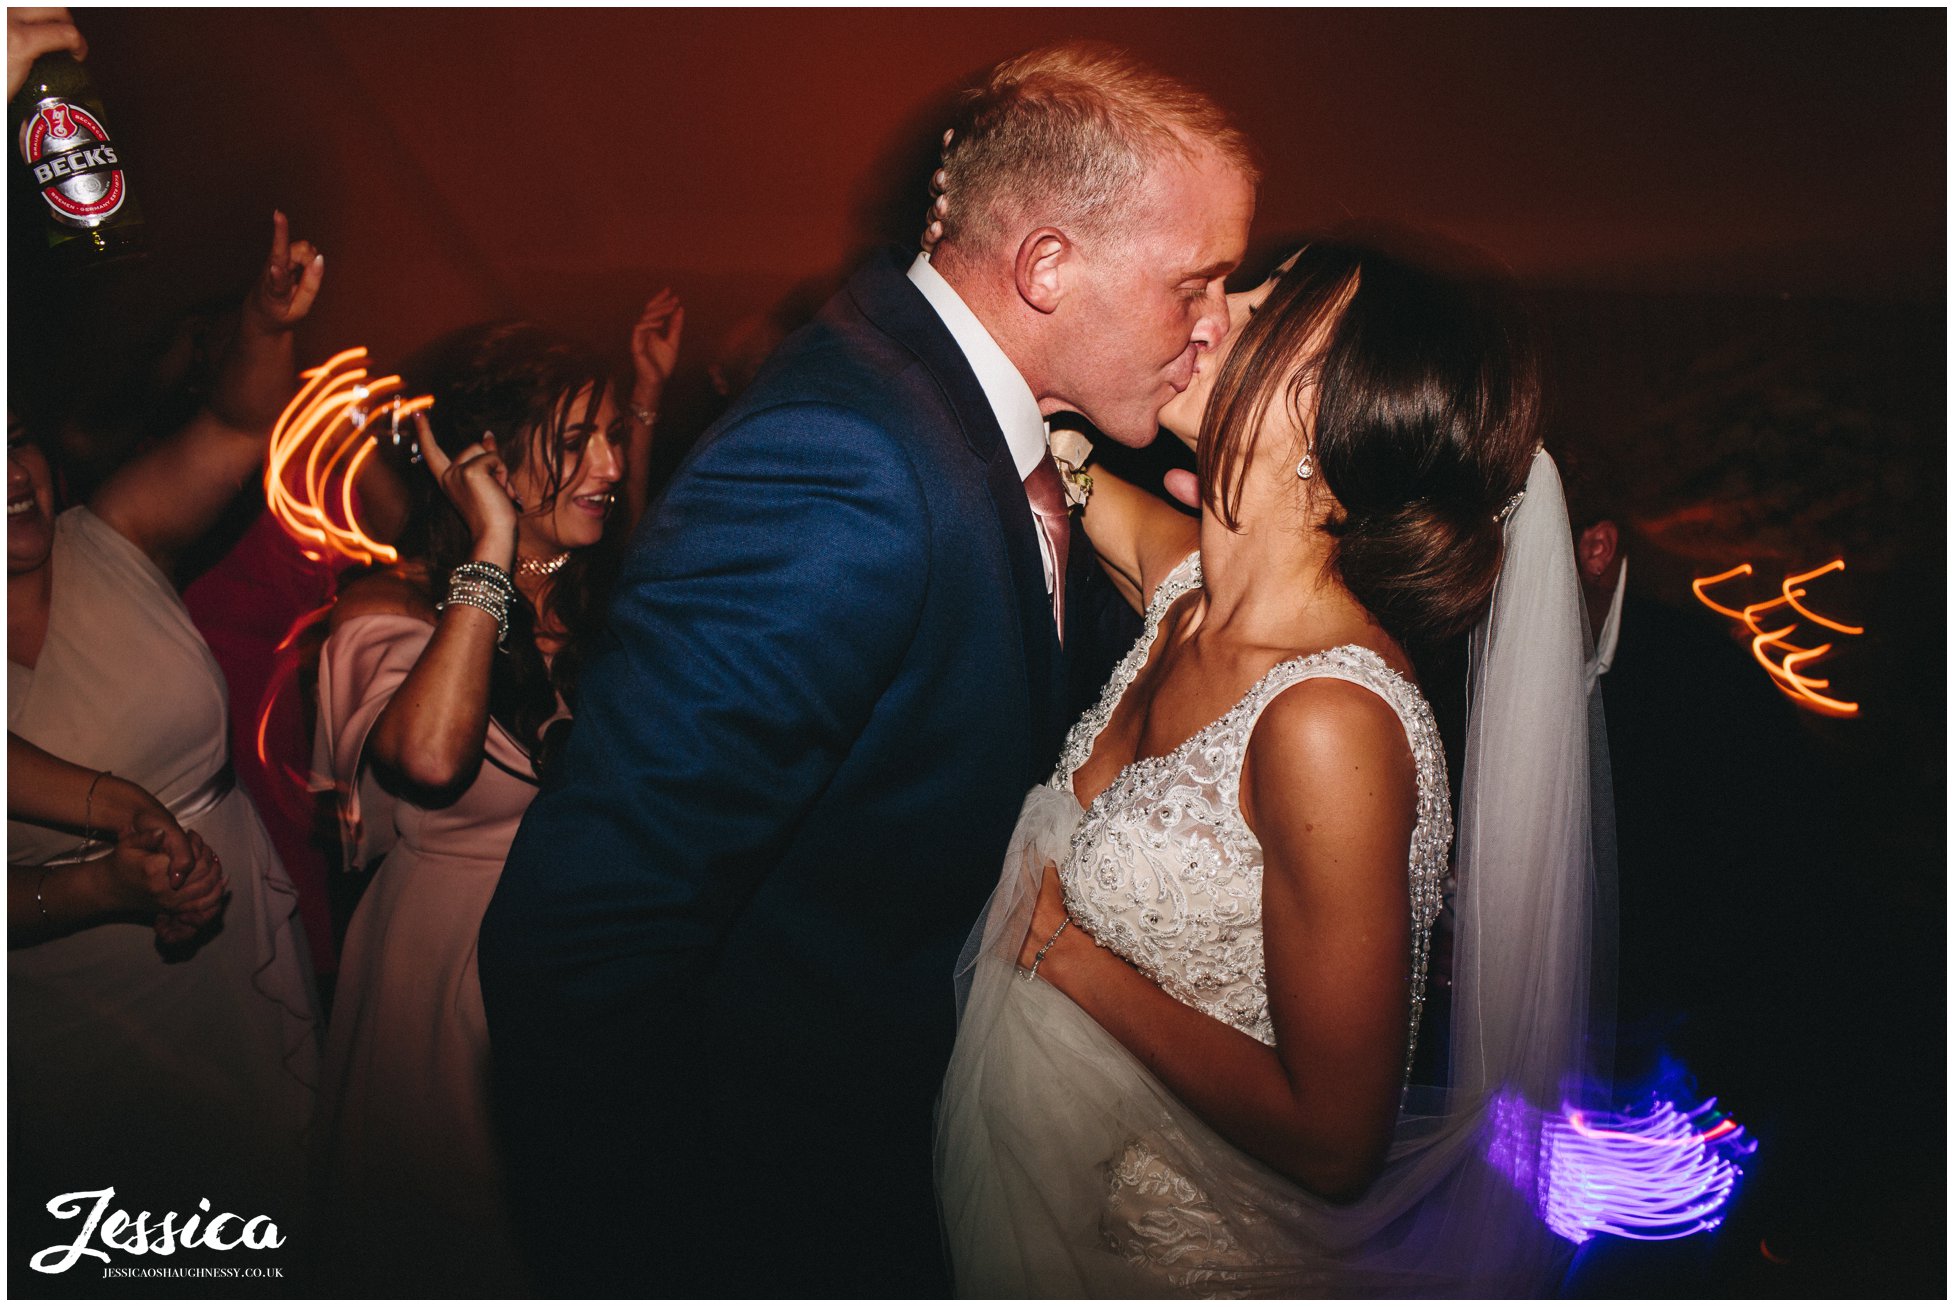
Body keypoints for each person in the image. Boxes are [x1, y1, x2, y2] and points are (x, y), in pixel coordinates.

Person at [479, 42, 1256, 1296]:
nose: (1216, 324)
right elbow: (589, 936)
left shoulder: (971, 421)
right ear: (1048, 264)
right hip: (787, 1206)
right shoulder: (845, 456)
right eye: (1198, 283)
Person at [936, 232, 1606, 1295]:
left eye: (1256, 311)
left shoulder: (1327, 718)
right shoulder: (1189, 598)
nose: (1211, 304)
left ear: (1332, 419)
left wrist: (1069, 953)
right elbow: (1084, 479)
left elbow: (1337, 1138)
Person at [309, 308, 675, 1294]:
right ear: (488, 464)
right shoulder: (390, 616)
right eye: (571, 442)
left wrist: (643, 401)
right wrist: (493, 543)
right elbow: (429, 756)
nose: (602, 462)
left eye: (606, 436)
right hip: (443, 990)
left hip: (585, 979)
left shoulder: (599, 599)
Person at [8, 214, 324, 1236]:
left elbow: (236, 428)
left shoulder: (112, 530)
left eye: (13, 440)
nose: (12, 473)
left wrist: (264, 321)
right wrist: (106, 880)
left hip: (233, 937)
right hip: (71, 1009)